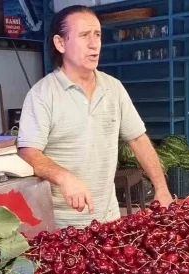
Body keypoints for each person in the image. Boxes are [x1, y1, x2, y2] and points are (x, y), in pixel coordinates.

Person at [17, 5, 173, 228]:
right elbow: (28, 152)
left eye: (97, 35)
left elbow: (138, 139)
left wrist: (161, 187)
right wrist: (64, 177)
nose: (94, 44)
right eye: (83, 35)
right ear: (60, 43)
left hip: (108, 217)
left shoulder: (113, 88)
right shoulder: (42, 94)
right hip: (61, 224)